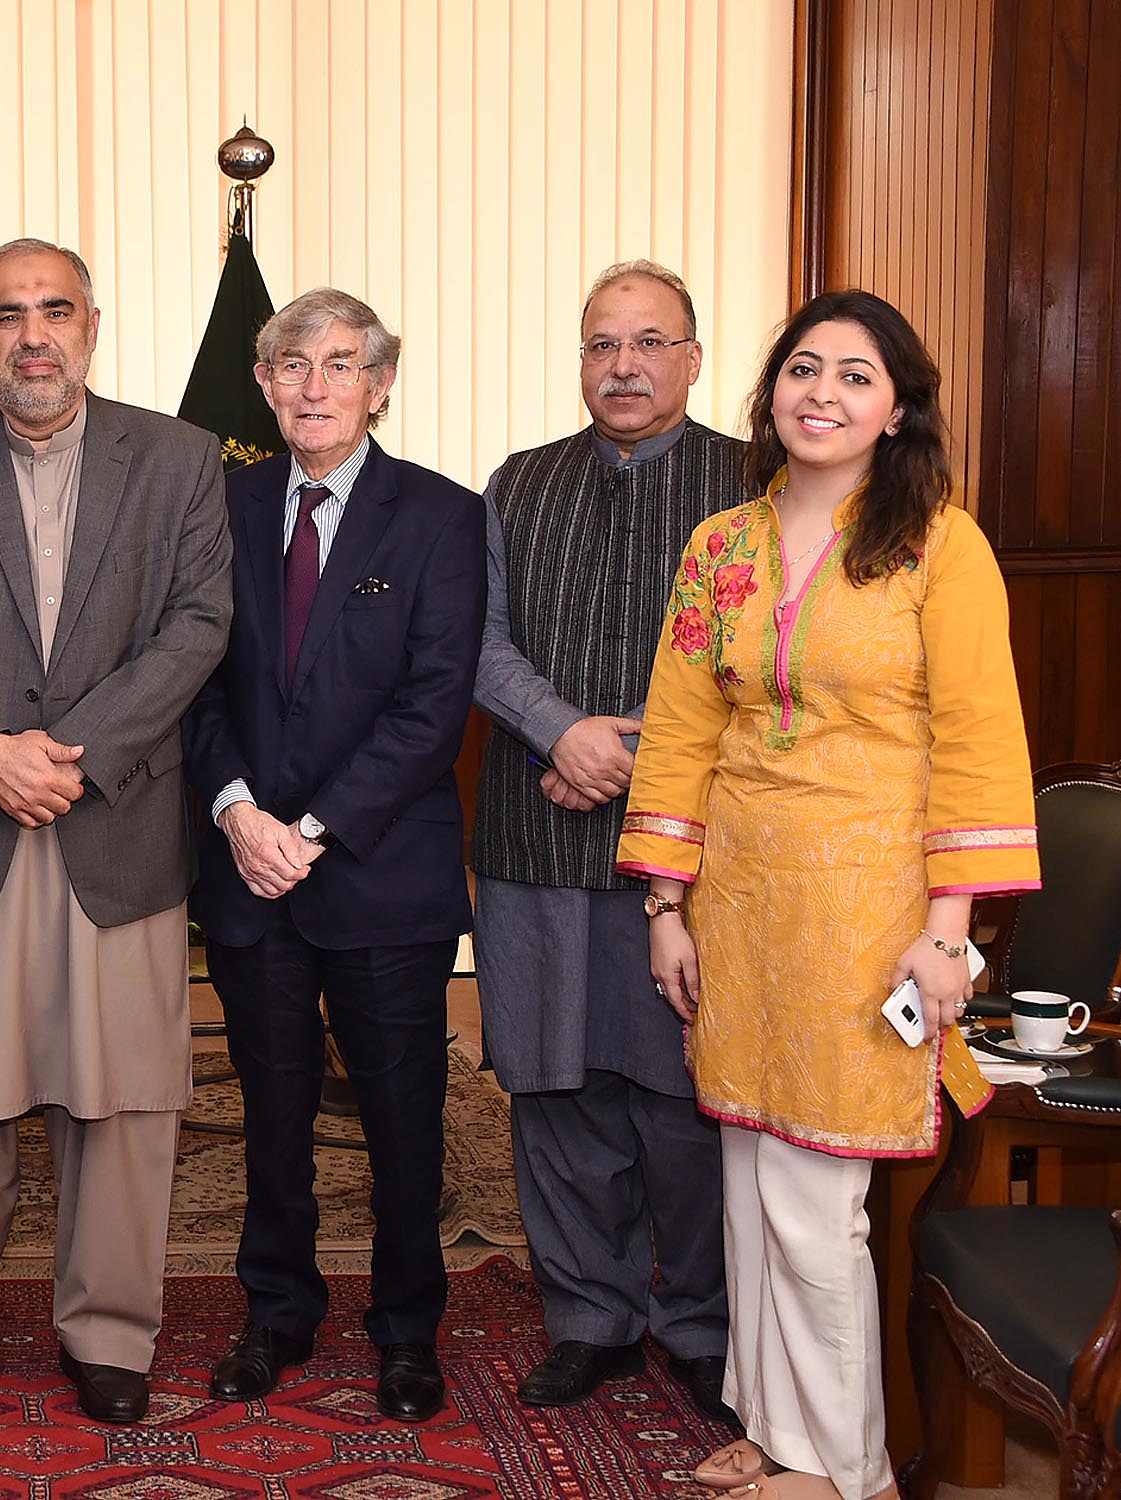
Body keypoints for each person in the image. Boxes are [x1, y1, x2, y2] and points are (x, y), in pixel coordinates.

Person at [617, 289, 1039, 1500]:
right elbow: (683, 736)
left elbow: (974, 736)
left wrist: (946, 934)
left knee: (814, 1198)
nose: (821, 394)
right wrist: (664, 907)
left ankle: (842, 1469)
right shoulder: (719, 547)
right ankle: (768, 1422)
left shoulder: (937, 544)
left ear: (896, 407)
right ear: (770, 392)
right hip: (740, 901)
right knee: (748, 1180)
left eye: (855, 376)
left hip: (870, 909)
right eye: (803, 369)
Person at [0, 238, 232, 1425]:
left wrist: (70, 758)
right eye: (6, 314)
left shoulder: (177, 459)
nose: (32, 335)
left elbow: (197, 623)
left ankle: (110, 1334)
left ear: (92, 324)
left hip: (108, 822)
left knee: (121, 1096)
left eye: (53, 310)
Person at [182, 288, 485, 1420]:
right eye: (293, 364)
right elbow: (194, 683)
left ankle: (407, 1331)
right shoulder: (216, 506)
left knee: (404, 1120)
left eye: (341, 364)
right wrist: (234, 812)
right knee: (271, 1114)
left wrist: (305, 831)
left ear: (380, 384)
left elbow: (430, 708)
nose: (314, 386)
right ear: (263, 383)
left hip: (379, 875)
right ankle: (278, 1314)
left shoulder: (442, 518)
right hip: (247, 869)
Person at [471, 260, 738, 1414]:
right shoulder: (517, 484)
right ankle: (589, 1315)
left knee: (687, 1094)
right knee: (554, 1085)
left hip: (699, 855)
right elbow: (474, 645)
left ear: (692, 357)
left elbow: (775, 665)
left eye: (646, 343)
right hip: (535, 832)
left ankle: (702, 1324)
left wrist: (631, 764)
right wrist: (561, 732)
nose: (621, 366)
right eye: (599, 344)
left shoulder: (757, 480)